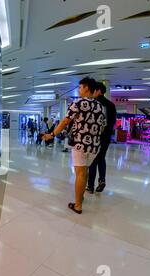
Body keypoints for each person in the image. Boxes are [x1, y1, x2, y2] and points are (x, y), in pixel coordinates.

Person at [43, 77, 106, 214]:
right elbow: (102, 127)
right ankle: (80, 196)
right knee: (85, 171)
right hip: (94, 147)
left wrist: (52, 135)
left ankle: (78, 205)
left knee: (80, 174)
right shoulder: (100, 106)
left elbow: (65, 122)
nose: (79, 90)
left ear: (87, 88)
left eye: (80, 87)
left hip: (80, 145)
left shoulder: (78, 103)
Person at [86, 82, 117, 194]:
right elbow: (113, 122)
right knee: (101, 158)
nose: (92, 92)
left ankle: (90, 186)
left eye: (94, 90)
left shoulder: (94, 104)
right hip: (106, 137)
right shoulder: (111, 105)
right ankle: (102, 179)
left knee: (93, 160)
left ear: (98, 91)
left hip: (95, 137)